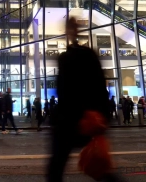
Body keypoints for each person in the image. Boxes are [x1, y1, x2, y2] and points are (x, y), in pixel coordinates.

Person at [47, 17, 118, 182]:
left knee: (56, 166)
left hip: (71, 119)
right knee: (98, 166)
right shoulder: (89, 54)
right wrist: (103, 115)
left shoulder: (67, 57)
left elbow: (62, 90)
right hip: (91, 117)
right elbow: (100, 86)